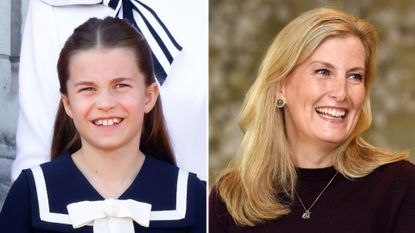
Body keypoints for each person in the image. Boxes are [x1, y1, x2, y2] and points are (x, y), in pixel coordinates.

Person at [209, 8, 415, 233]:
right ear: (280, 86)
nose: (341, 93)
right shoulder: (230, 199)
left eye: (355, 76)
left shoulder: (400, 186)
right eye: (323, 72)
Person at [0, 17, 206, 233]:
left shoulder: (192, 197)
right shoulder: (30, 195)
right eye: (88, 89)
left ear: (149, 96)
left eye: (120, 85)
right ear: (68, 103)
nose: (106, 104)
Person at [12, 0, 207, 182]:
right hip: (72, 209)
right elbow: (35, 152)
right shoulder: (50, 8)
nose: (106, 104)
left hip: (191, 204)